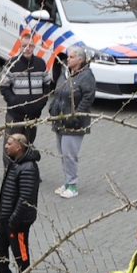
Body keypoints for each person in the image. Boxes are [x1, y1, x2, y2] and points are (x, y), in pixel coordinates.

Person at [0, 130, 41, 273]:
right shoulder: (15, 162)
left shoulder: (28, 168)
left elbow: (25, 198)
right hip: (4, 219)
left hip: (17, 222)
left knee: (20, 253)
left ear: (18, 147)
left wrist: (13, 221)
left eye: (9, 144)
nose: (6, 146)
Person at [49, 49, 96, 198]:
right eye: (68, 57)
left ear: (80, 60)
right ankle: (67, 182)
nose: (67, 60)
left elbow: (87, 98)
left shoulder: (86, 76)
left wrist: (74, 117)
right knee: (63, 153)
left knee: (70, 154)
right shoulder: (65, 73)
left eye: (71, 57)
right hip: (60, 120)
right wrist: (52, 109)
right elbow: (57, 92)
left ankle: (72, 185)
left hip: (74, 124)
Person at [0, 48, 52, 126]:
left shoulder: (40, 63)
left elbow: (47, 85)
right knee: (13, 138)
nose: (27, 49)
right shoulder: (11, 64)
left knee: (29, 138)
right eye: (24, 46)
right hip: (14, 115)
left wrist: (41, 102)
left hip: (33, 116)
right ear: (20, 46)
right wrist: (14, 101)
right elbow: (4, 87)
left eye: (30, 45)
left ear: (34, 46)